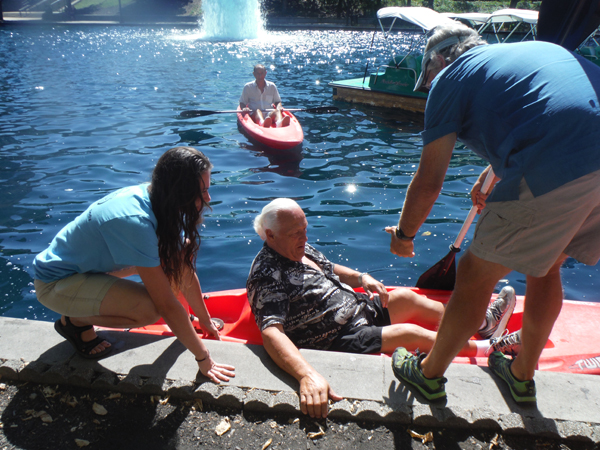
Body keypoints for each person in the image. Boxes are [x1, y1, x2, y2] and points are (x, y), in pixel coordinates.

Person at [386, 23, 600, 404]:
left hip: (558, 157)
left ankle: (428, 374)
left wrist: (404, 236)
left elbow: (429, 181)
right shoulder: (517, 54)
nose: (429, 85)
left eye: (427, 76)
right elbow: (545, 110)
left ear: (438, 60)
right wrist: (492, 176)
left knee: (474, 274)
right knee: (546, 266)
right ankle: (520, 375)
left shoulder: (450, 77)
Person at [247, 198, 516, 418]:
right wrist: (306, 375)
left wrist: (362, 279)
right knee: (410, 333)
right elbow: (272, 333)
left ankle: (482, 324)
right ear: (270, 235)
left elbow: (331, 269)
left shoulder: (297, 246)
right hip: (338, 337)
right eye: (296, 233)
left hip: (357, 309)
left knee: (407, 299)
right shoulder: (266, 275)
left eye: (305, 229)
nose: (304, 237)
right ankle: (490, 347)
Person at [33, 147, 235, 384]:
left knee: (177, 253)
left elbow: (183, 266)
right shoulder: (136, 221)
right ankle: (75, 321)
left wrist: (204, 319)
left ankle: (188, 318)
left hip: (92, 271)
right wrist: (204, 359)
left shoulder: (159, 200)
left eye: (208, 190)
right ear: (179, 191)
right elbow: (166, 306)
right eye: (201, 192)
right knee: (151, 310)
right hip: (56, 283)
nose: (208, 199)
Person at [239, 64, 290, 128]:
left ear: (265, 73)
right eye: (258, 73)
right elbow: (242, 102)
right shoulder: (248, 87)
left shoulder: (272, 86)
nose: (260, 76)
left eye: (262, 73)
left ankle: (279, 123)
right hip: (254, 114)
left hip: (269, 113)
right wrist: (244, 108)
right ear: (254, 74)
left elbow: (277, 101)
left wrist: (279, 106)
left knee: (277, 111)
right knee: (258, 111)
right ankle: (263, 123)